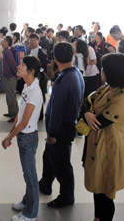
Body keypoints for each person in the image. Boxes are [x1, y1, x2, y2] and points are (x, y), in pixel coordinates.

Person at [79, 53, 124, 221]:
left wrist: (87, 114)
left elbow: (99, 122)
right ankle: (97, 217)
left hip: (109, 148)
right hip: (95, 143)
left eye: (105, 68)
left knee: (106, 188)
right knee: (97, 185)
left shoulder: (122, 97)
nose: (102, 71)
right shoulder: (106, 88)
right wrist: (87, 112)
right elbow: (85, 101)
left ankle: (103, 218)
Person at [39, 42, 85, 209]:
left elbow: (57, 110)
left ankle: (66, 196)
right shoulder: (77, 74)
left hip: (61, 128)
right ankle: (45, 183)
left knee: (62, 164)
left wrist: (52, 133)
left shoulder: (63, 80)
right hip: (68, 124)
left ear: (55, 58)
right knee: (49, 158)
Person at [2, 56, 47, 221]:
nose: (19, 67)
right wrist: (11, 130)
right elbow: (20, 114)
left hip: (28, 137)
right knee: (27, 173)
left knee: (31, 176)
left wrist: (9, 138)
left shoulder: (35, 92)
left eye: (22, 65)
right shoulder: (28, 86)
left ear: (31, 71)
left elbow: (25, 122)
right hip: (23, 135)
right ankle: (27, 201)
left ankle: (31, 213)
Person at [2, 36, 18, 123]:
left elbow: (13, 64)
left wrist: (17, 74)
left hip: (10, 77)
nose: (2, 41)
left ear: (7, 42)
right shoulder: (6, 51)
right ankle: (11, 112)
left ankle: (15, 115)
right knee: (8, 96)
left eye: (4, 40)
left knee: (11, 96)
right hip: (7, 76)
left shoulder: (7, 51)